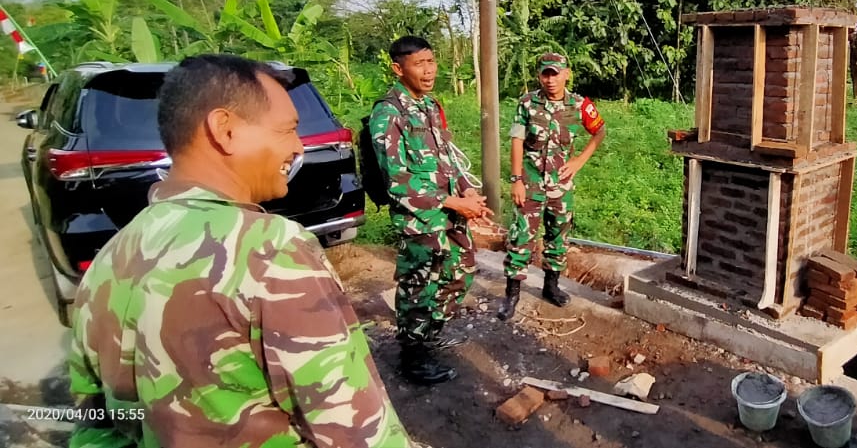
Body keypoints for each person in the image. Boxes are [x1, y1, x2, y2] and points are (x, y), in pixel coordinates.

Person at [67, 55, 411, 447]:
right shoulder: (272, 249)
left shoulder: (111, 258)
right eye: (287, 131)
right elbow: (356, 430)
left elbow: (95, 428)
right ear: (224, 129)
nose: (298, 147)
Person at [370, 35, 493, 386]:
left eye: (431, 62)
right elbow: (398, 180)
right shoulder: (388, 113)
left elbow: (446, 158)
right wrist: (457, 203)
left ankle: (427, 335)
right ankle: (414, 355)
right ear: (398, 68)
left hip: (450, 213)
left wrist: (468, 191)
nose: (429, 70)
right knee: (419, 286)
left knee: (462, 271)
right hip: (420, 219)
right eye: (419, 64)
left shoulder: (428, 105)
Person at [496, 53, 606, 321]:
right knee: (521, 237)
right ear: (539, 76)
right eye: (545, 73)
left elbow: (599, 131)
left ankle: (551, 286)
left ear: (566, 74)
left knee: (558, 236)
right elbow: (517, 141)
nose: (550, 79)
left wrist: (579, 160)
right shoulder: (527, 103)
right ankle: (512, 294)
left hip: (561, 184)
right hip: (530, 181)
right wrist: (516, 180)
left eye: (555, 73)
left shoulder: (579, 105)